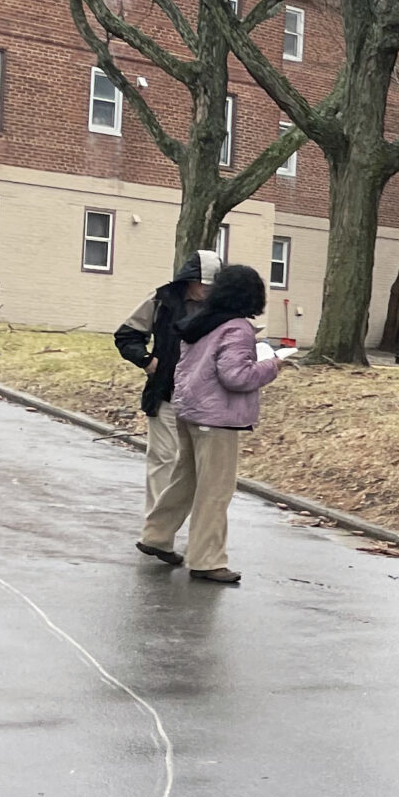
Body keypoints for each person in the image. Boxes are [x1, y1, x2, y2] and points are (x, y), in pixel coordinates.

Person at [140, 262, 282, 586]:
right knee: (215, 491)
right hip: (217, 419)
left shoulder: (199, 321)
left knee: (184, 480)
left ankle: (156, 535)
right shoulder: (237, 328)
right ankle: (207, 560)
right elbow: (236, 376)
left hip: (188, 411)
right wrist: (271, 366)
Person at [116, 250, 218, 565]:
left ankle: (179, 534)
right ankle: (157, 535)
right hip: (166, 394)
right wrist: (148, 362)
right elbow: (127, 334)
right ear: (188, 280)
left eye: (213, 284)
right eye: (202, 283)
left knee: (196, 470)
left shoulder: (224, 307)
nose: (206, 289)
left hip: (205, 399)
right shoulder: (162, 301)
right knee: (163, 461)